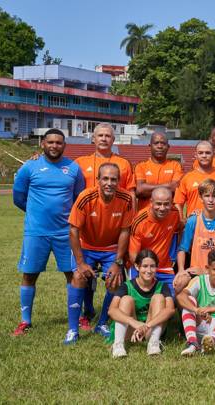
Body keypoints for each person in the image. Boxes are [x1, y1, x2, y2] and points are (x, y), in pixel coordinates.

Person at [12, 129, 85, 336]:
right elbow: (18, 198)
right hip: (36, 232)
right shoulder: (30, 167)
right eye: (50, 142)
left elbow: (79, 199)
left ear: (64, 145)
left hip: (66, 233)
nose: (54, 146)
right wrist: (36, 213)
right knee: (29, 274)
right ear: (42, 143)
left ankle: (78, 317)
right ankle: (25, 321)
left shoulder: (73, 168)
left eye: (59, 143)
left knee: (73, 274)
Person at [66, 163, 133, 344]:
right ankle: (73, 329)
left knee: (115, 280)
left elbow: (125, 231)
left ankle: (102, 323)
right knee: (79, 277)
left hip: (111, 248)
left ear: (119, 181)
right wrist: (80, 262)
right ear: (98, 180)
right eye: (105, 178)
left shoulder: (126, 198)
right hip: (87, 246)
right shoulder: (85, 197)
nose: (109, 183)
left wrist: (118, 263)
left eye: (113, 179)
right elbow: (73, 231)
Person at [175, 178, 215, 294]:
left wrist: (208, 271)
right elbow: (182, 249)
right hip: (196, 272)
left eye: (214, 196)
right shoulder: (193, 220)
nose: (210, 200)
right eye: (207, 196)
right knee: (179, 282)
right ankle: (185, 311)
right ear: (200, 198)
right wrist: (181, 270)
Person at [108, 249, 175, 358]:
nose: (149, 270)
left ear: (157, 267)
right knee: (126, 300)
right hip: (130, 330)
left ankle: (153, 343)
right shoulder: (126, 286)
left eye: (152, 266)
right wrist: (134, 323)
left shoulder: (162, 286)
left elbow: (170, 310)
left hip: (150, 329)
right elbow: (112, 310)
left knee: (158, 298)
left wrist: (147, 325)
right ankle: (118, 345)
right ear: (137, 267)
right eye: (145, 266)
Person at [129, 187, 182, 296]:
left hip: (164, 267)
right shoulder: (140, 221)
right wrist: (148, 271)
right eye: (158, 204)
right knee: (140, 301)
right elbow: (133, 255)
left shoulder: (174, 213)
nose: (162, 208)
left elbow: (179, 230)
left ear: (172, 203)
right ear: (151, 202)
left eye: (166, 204)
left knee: (172, 300)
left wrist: (174, 256)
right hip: (143, 267)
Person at [174, 141, 215, 221]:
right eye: (201, 153)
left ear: (213, 154)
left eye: (208, 153)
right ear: (196, 155)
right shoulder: (186, 178)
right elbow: (178, 203)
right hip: (195, 226)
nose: (204, 156)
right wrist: (181, 222)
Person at [74, 123, 135, 195]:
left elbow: (131, 192)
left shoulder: (124, 163)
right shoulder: (80, 162)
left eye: (107, 136)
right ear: (93, 138)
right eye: (100, 135)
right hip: (88, 205)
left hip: (116, 206)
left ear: (113, 140)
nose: (103, 139)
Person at [134, 132, 183, 210]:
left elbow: (175, 188)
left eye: (163, 143)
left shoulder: (176, 166)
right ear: (150, 146)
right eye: (156, 143)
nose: (159, 146)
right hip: (145, 216)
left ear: (168, 147)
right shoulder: (141, 166)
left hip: (169, 215)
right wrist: (168, 187)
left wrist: (148, 188)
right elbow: (140, 190)